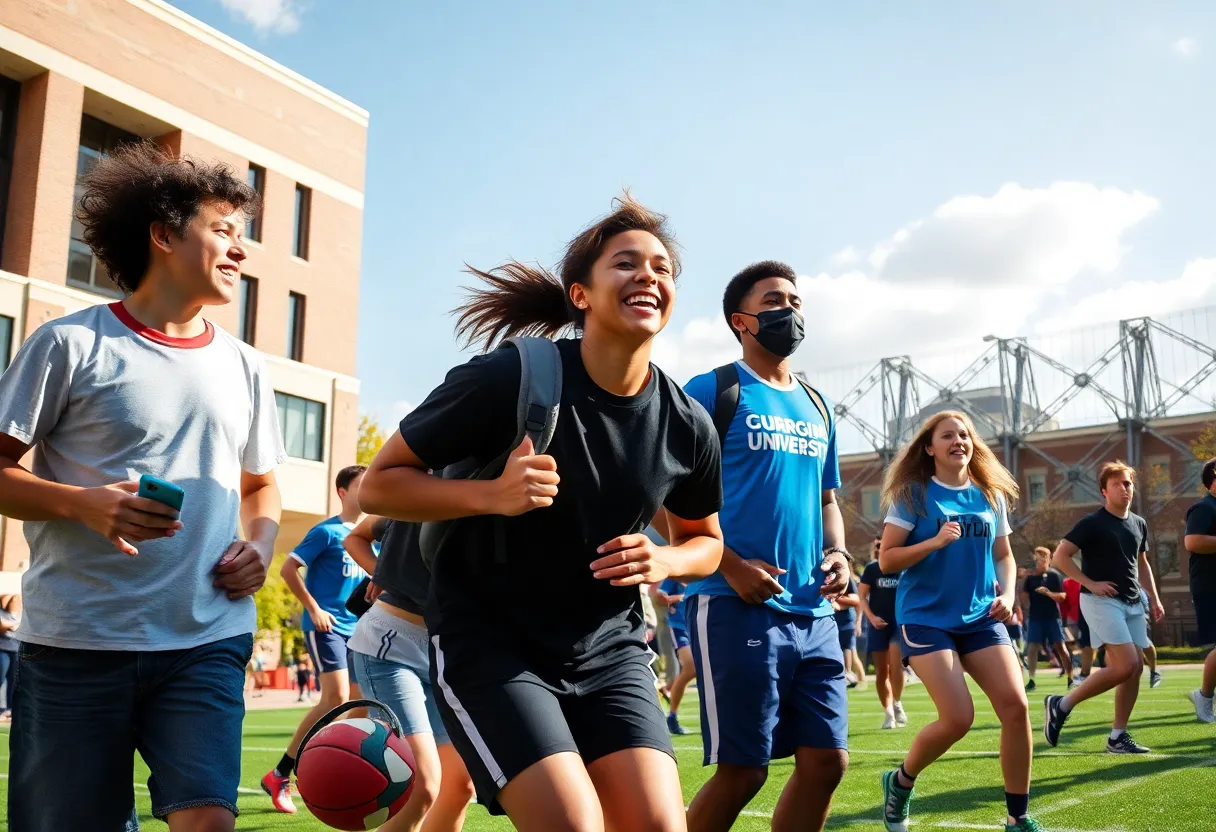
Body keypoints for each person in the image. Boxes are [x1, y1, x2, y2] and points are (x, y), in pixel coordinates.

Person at [359, 195, 725, 832]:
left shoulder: (686, 422)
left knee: (661, 826)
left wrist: (664, 558)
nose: (650, 276)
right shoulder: (510, 378)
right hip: (493, 646)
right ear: (580, 295)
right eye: (626, 263)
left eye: (663, 269)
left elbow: (706, 542)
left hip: (610, 649)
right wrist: (491, 495)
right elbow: (379, 487)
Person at [0, 143, 284, 832]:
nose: (239, 251)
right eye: (223, 229)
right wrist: (82, 505)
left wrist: (262, 545)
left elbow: (262, 488)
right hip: (75, 643)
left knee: (208, 821)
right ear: (163, 234)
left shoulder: (246, 366)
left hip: (205, 638)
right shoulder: (69, 344)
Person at [675, 260, 852, 832]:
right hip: (732, 603)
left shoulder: (819, 405)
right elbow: (661, 495)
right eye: (776, 301)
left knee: (827, 763)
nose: (791, 311)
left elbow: (828, 501)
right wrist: (728, 566)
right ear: (741, 320)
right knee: (743, 771)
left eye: (797, 302)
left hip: (815, 610)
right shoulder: (713, 390)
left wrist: (840, 556)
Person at [878, 411, 1038, 832]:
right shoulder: (913, 494)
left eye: (965, 434)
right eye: (947, 435)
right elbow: (887, 558)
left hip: (981, 615)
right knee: (958, 719)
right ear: (929, 448)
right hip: (926, 617)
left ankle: (1017, 817)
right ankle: (900, 782)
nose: (958, 441)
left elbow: (1004, 555)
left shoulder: (990, 494)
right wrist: (932, 542)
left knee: (1016, 706)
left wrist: (1006, 594)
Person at [346, 515, 477, 832]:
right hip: (390, 647)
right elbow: (356, 537)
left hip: (446, 655)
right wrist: (381, 571)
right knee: (422, 786)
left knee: (459, 787)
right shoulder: (423, 484)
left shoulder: (504, 494)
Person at [262, 465, 369, 812]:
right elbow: (288, 568)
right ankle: (281, 773)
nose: (369, 489)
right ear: (342, 492)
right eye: (361, 485)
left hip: (359, 630)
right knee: (336, 695)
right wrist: (314, 608)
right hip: (326, 626)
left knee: (361, 703)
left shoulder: (371, 535)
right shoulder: (327, 532)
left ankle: (340, 770)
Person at [1044, 461, 1164, 755]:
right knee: (1126, 665)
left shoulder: (1139, 523)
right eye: (1118, 484)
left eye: (1128, 484)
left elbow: (1142, 563)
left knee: (1133, 671)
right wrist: (1090, 583)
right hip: (1100, 601)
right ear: (1104, 491)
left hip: (1133, 602)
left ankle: (1117, 737)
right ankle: (1061, 704)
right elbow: (1060, 558)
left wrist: (1156, 597)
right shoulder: (1092, 523)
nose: (1125, 489)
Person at [859, 539, 906, 729]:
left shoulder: (903, 567)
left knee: (896, 665)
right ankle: (888, 713)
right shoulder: (871, 569)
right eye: (876, 547)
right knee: (881, 671)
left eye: (882, 545)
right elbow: (861, 597)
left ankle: (897, 702)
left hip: (898, 623)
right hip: (877, 625)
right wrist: (871, 618)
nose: (879, 550)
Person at [1184, 457, 1216, 723]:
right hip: (1210, 587)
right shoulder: (1204, 508)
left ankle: (1204, 695)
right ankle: (1204, 696)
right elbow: (1192, 541)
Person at [1020, 547, 1074, 691]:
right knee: (1032, 648)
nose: (1042, 559)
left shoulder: (1054, 575)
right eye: (1039, 557)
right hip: (1035, 618)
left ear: (1049, 558)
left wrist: (1048, 593)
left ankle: (1070, 678)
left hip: (1052, 617)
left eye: (1044, 556)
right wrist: (1024, 605)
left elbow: (1063, 597)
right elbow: (1024, 597)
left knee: (1060, 647)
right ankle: (1031, 680)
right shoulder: (1031, 578)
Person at [651, 578, 695, 735]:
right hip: (679, 627)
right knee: (691, 666)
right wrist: (682, 597)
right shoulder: (674, 576)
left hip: (698, 622)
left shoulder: (699, 569)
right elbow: (659, 597)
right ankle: (672, 716)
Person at [834, 576, 865, 689]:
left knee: (849, 649)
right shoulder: (824, 577)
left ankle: (851, 676)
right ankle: (851, 677)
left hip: (846, 621)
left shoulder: (848, 579)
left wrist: (858, 623)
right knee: (849, 653)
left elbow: (856, 601)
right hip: (832, 621)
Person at [0, 594, 20, 720]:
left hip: (16, 650)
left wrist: (11, 625)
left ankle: (10, 709)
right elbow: (2, 626)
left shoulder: (21, 614)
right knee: (0, 679)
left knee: (14, 682)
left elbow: (22, 628)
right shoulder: (2, 612)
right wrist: (14, 625)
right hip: (2, 650)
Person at [1138, 588, 1162, 688]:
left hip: (1134, 596)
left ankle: (1154, 671)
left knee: (1141, 638)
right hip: (1111, 599)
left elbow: (1145, 573)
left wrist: (1156, 601)